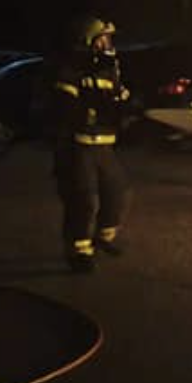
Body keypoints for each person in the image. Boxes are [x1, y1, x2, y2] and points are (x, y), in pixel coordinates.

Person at [49, 16, 132, 273]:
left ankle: (102, 238)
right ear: (90, 42)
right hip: (77, 146)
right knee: (83, 200)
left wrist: (130, 107)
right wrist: (91, 107)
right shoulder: (71, 69)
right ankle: (79, 252)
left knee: (117, 192)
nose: (108, 43)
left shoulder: (110, 69)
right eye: (103, 38)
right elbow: (64, 106)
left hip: (104, 145)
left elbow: (121, 97)